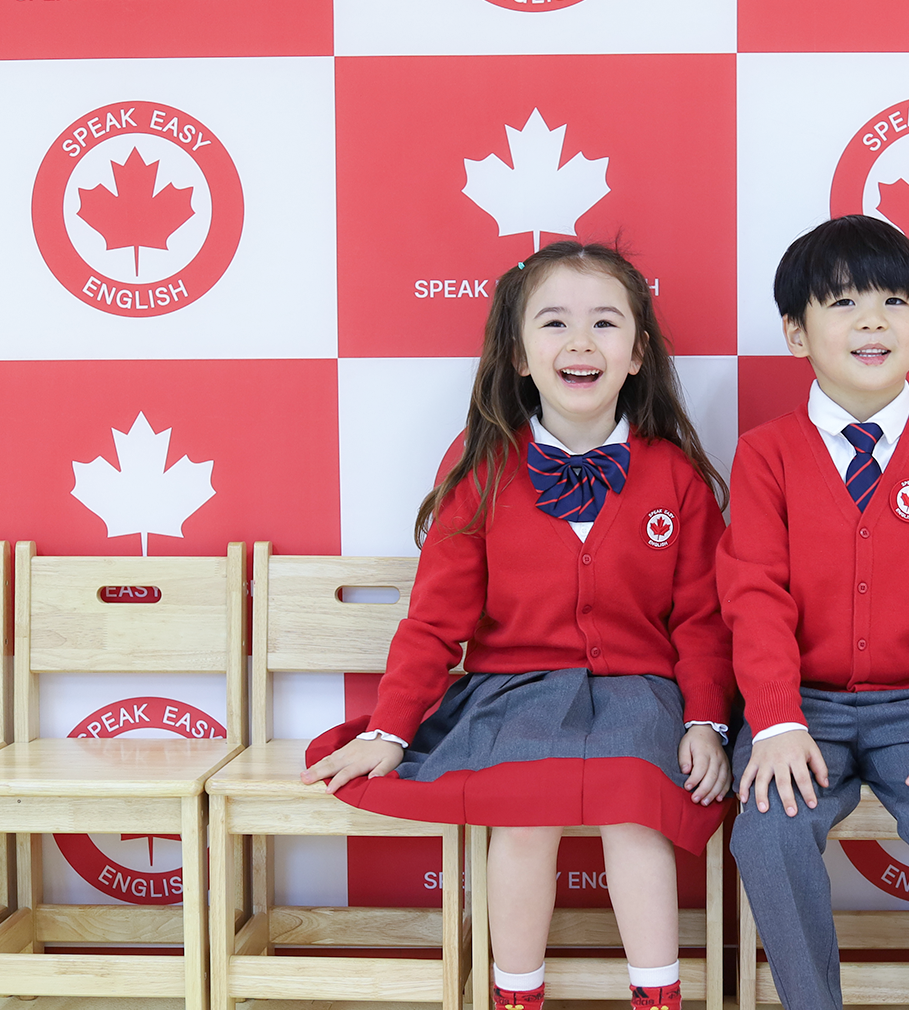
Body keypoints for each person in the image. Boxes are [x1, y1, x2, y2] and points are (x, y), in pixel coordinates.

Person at [302, 241, 734, 1010]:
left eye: (604, 323)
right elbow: (434, 620)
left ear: (637, 353)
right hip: (513, 692)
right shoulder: (482, 467)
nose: (580, 341)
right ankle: (516, 996)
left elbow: (703, 618)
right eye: (554, 322)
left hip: (639, 692)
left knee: (635, 805)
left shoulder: (675, 476)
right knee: (524, 812)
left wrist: (706, 719)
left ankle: (658, 997)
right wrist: (391, 729)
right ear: (518, 354)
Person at [719, 214, 909, 1010]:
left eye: (893, 302)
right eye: (843, 302)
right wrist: (774, 720)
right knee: (769, 827)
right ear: (795, 332)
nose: (872, 321)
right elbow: (753, 596)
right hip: (802, 706)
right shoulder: (765, 454)